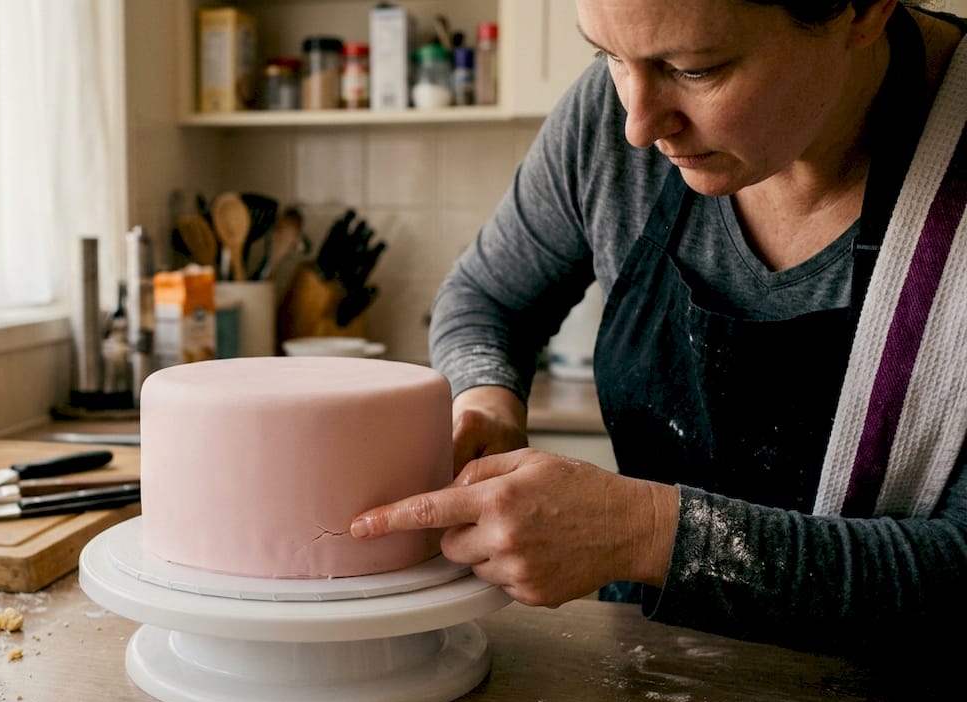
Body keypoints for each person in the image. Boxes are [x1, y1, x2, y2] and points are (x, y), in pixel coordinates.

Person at [351, 0, 967, 658]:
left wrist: (646, 534)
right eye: (608, 55)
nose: (639, 128)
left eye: (695, 69)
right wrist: (486, 398)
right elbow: (488, 296)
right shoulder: (607, 116)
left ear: (861, 12)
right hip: (647, 663)